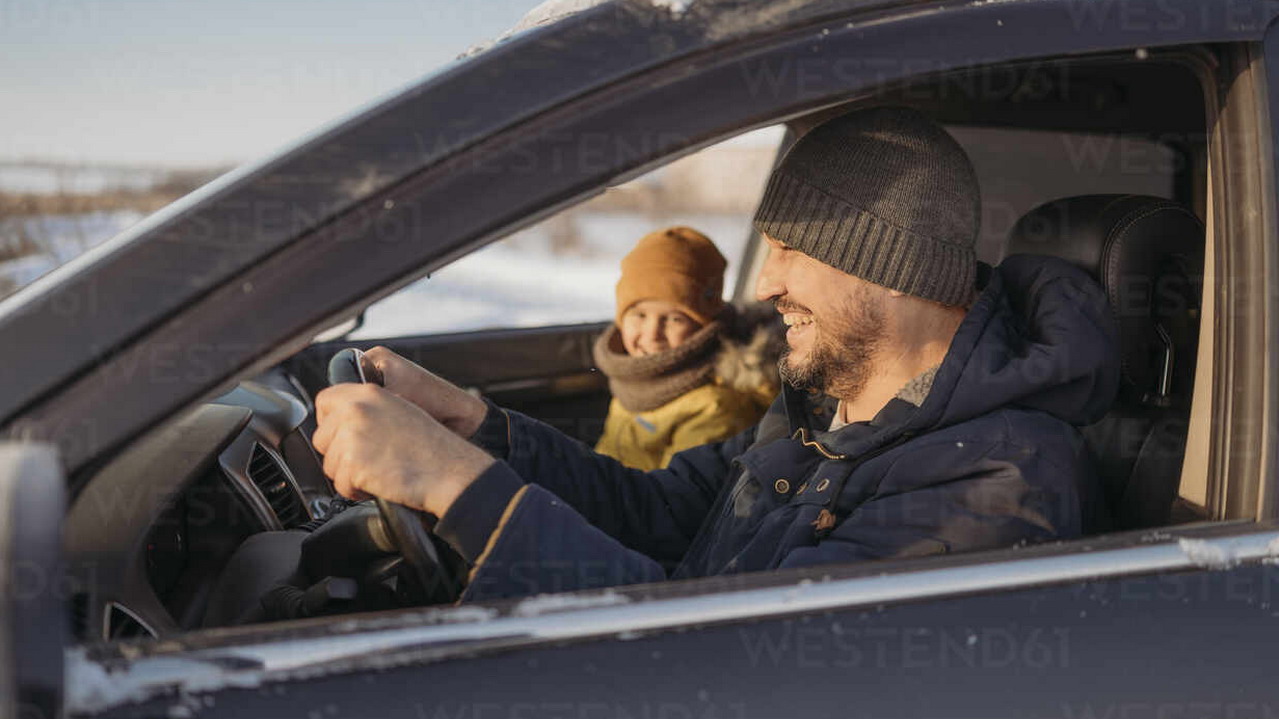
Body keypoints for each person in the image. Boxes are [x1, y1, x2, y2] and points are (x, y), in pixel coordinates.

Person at [312, 107, 1118, 602]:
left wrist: (459, 488)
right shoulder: (828, 412)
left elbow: (724, 668)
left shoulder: (996, 483)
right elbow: (660, 512)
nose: (763, 285)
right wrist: (477, 427)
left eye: (789, 251)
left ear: (892, 268)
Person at [593, 226, 776, 470]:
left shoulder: (714, 407)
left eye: (673, 319)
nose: (651, 334)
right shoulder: (634, 377)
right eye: (639, 315)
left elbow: (671, 496)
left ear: (704, 326)